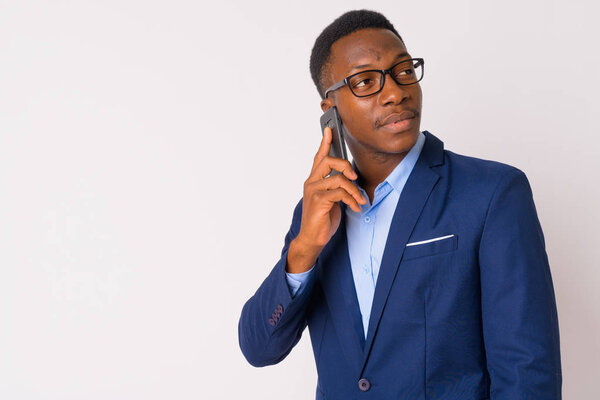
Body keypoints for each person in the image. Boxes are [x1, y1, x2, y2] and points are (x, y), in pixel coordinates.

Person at [238, 9, 562, 400]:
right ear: (330, 112)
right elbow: (259, 348)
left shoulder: (493, 193)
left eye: (404, 70)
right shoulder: (317, 212)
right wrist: (304, 248)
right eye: (365, 82)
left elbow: (527, 373)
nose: (396, 92)